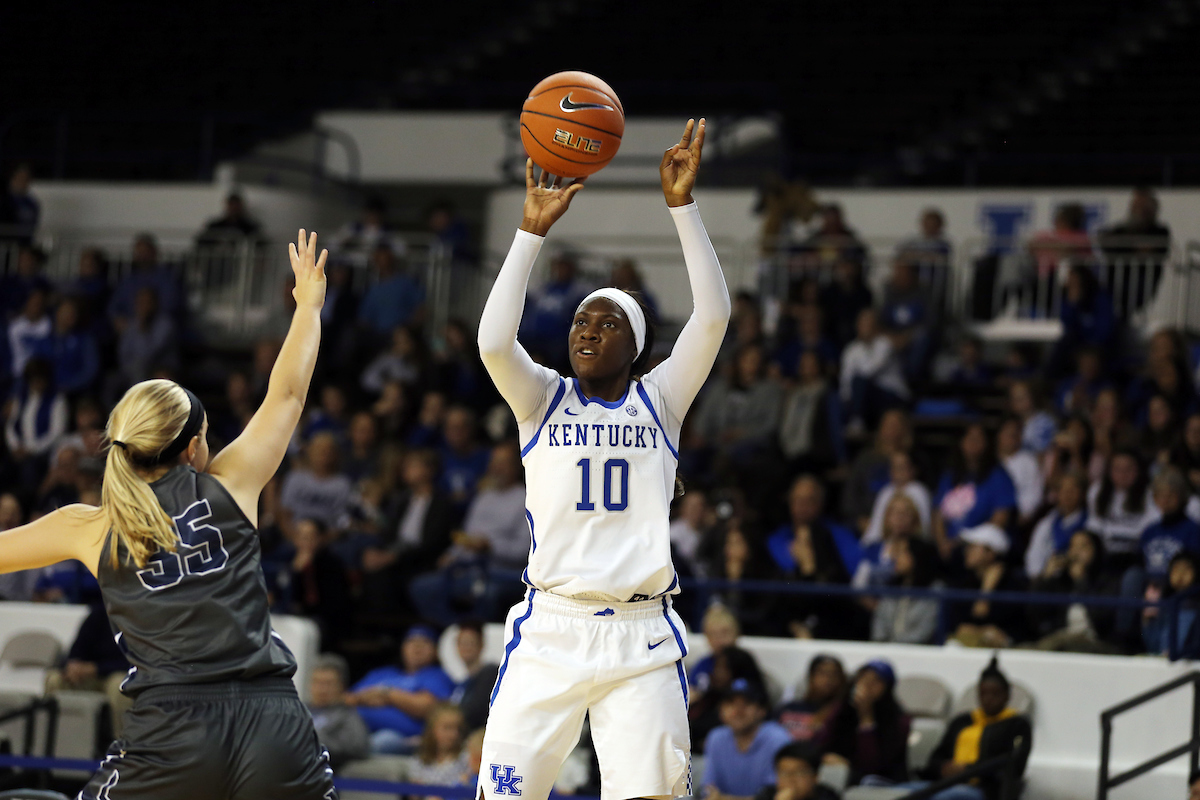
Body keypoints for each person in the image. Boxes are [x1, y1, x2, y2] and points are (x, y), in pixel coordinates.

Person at [0, 229, 336, 798]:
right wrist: (307, 307)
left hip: (174, 730)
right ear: (191, 449)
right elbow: (287, 396)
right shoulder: (232, 484)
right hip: (273, 722)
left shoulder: (89, 525)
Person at [475, 120, 729, 800]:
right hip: (550, 624)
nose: (587, 328)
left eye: (607, 321)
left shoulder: (662, 400)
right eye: (582, 319)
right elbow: (494, 341)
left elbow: (712, 317)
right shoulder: (542, 398)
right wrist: (531, 231)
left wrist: (683, 207)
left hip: (641, 636)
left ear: (638, 345)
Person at [919, 657, 1032, 800]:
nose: (988, 699)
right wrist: (943, 767)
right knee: (901, 791)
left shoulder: (1016, 724)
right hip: (944, 783)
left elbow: (1013, 766)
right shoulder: (963, 721)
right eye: (983, 693)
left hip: (984, 790)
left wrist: (967, 770)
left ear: (1007, 695)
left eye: (995, 694)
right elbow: (937, 756)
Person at [348, 624, 457, 754]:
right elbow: (347, 699)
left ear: (435, 651)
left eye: (425, 642)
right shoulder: (382, 673)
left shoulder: (436, 676)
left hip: (403, 738)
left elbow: (425, 708)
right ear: (403, 648)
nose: (417, 647)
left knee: (381, 742)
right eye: (411, 642)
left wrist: (387, 694)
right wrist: (396, 699)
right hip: (355, 729)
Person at [44, 601, 133, 736]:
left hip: (126, 675)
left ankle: (124, 747)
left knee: (119, 685)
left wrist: (96, 668)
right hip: (93, 677)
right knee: (54, 679)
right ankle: (53, 741)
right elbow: (77, 649)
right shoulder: (99, 614)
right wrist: (72, 666)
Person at [932, 423, 1017, 560]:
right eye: (970, 438)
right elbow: (938, 515)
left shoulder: (998, 477)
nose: (974, 444)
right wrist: (942, 543)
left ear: (987, 444)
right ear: (961, 442)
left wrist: (966, 543)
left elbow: (1000, 519)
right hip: (948, 548)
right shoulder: (950, 475)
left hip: (981, 548)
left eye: (978, 439)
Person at [702, 678, 795, 800]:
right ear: (721, 711)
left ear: (762, 710)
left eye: (747, 703)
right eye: (731, 703)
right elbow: (707, 789)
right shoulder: (716, 737)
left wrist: (724, 798)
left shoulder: (777, 738)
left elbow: (777, 793)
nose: (738, 710)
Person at [825, 661, 910, 786]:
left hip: (882, 780)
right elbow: (819, 743)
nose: (867, 685)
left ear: (888, 687)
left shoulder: (899, 721)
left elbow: (871, 765)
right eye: (863, 678)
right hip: (842, 773)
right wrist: (826, 756)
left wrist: (865, 717)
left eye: (876, 681)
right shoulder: (843, 709)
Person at [948, 525, 1028, 648]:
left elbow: (1006, 630)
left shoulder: (1014, 585)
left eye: (973, 547)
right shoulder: (965, 582)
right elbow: (960, 626)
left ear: (991, 553)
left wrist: (986, 594)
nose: (967, 551)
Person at [839, 308, 909, 435]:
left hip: (893, 395)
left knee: (859, 380)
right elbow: (845, 380)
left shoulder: (885, 344)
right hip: (866, 398)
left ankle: (857, 420)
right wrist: (847, 401)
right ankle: (855, 420)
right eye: (862, 324)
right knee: (838, 401)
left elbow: (869, 371)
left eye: (869, 323)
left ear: (876, 326)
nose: (866, 327)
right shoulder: (851, 350)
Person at [871, 537, 943, 645]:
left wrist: (899, 647)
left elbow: (926, 628)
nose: (896, 557)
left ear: (917, 556)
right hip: (886, 649)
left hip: (918, 651)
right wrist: (881, 643)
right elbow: (880, 619)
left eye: (903, 552)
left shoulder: (935, 589)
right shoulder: (891, 587)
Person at [307, 653, 371, 769]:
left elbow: (358, 748)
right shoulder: (297, 710)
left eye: (328, 684)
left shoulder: (348, 716)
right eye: (317, 682)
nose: (322, 689)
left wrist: (313, 740)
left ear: (341, 686)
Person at [1025, 470, 1090, 578]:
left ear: (1083, 494)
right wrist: (1039, 577)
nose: (1067, 494)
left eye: (1072, 490)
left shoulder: (1091, 522)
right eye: (1063, 490)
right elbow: (1034, 556)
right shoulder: (1047, 523)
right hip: (1049, 580)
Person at [775, 654, 846, 749]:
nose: (828, 679)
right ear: (810, 676)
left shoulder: (842, 713)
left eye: (834, 674)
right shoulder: (787, 708)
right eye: (822, 673)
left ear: (841, 680)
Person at [410, 703, 471, 795]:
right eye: (447, 728)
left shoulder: (466, 759)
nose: (454, 734)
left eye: (458, 729)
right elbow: (414, 794)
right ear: (432, 730)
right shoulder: (419, 760)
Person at [449, 621, 500, 731]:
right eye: (462, 643)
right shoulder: (463, 683)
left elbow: (475, 712)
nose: (466, 648)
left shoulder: (490, 674)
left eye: (471, 642)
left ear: (481, 644)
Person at [754, 743, 841, 800]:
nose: (791, 779)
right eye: (784, 773)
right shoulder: (767, 794)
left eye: (799, 773)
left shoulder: (827, 796)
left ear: (815, 776)